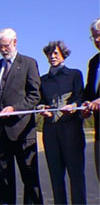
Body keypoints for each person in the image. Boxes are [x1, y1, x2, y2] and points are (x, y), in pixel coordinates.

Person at [0, 28, 43, 204]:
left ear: (15, 42)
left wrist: (14, 108)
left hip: (23, 131)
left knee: (30, 179)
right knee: (4, 180)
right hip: (0, 133)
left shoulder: (29, 63)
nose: (2, 49)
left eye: (5, 45)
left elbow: (34, 95)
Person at [39, 41, 86, 204]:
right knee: (56, 176)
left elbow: (80, 98)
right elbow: (40, 101)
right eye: (49, 54)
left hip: (71, 130)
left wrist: (73, 107)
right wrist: (42, 108)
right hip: (51, 131)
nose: (52, 57)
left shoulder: (75, 74)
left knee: (76, 176)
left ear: (63, 55)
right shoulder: (43, 80)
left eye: (56, 54)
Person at [83, 17, 100, 181]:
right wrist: (85, 106)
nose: (97, 40)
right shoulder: (94, 63)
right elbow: (89, 93)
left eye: (99, 35)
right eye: (93, 36)